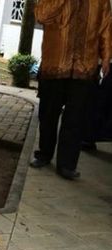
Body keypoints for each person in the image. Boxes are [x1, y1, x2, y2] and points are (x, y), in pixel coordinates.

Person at [30, 0, 112, 180]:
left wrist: (106, 56)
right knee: (48, 113)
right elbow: (41, 15)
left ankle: (67, 165)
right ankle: (44, 154)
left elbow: (106, 26)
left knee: (76, 119)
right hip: (56, 63)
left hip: (85, 65)